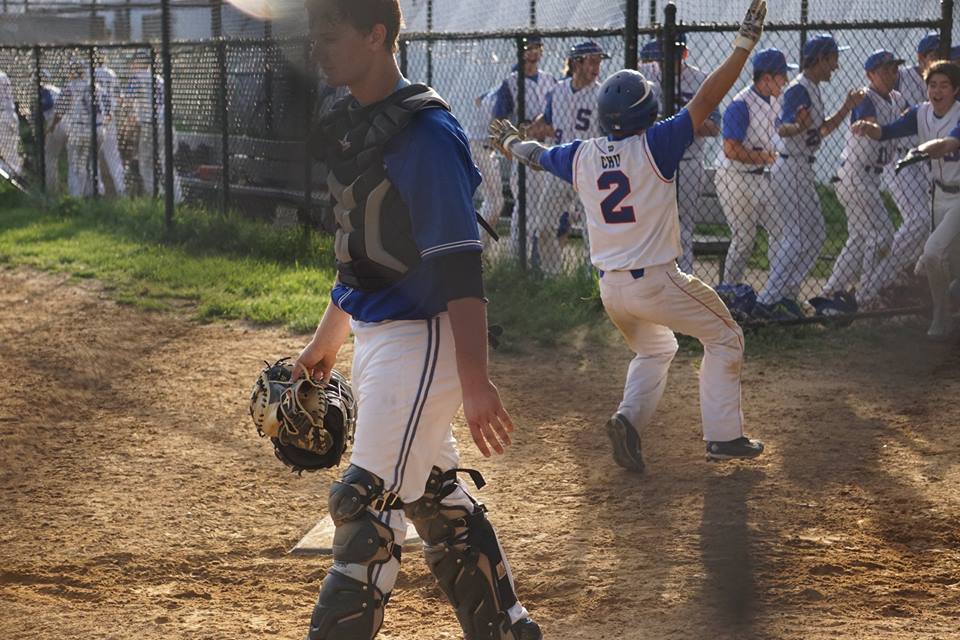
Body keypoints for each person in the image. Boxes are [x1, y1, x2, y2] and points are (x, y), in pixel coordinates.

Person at [294, 1, 541, 639]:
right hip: (382, 336)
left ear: (376, 35)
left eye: (331, 35)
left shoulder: (426, 136)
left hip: (423, 337)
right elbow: (367, 254)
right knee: (432, 494)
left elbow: (460, 268)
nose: (318, 47)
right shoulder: (354, 122)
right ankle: (507, 629)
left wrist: (476, 379)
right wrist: (328, 337)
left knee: (363, 504)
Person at [490, 0, 769, 470]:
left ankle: (628, 420)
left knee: (656, 347)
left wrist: (510, 143)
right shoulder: (656, 143)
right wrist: (744, 44)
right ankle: (724, 436)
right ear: (649, 111)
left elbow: (540, 153)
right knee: (726, 337)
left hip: (610, 289)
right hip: (657, 282)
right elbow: (707, 99)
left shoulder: (583, 154)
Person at [755, 33, 866, 318]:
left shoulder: (813, 88)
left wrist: (846, 107)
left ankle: (786, 292)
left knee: (815, 234)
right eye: (833, 60)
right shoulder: (798, 89)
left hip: (801, 167)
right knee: (797, 235)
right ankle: (768, 300)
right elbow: (782, 128)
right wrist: (797, 126)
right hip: (790, 165)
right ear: (820, 59)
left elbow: (822, 131)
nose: (836, 66)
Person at [852, 61, 960, 340]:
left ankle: (941, 314)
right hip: (938, 195)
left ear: (956, 90)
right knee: (946, 260)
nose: (937, 91)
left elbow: (949, 144)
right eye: (932, 85)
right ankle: (945, 311)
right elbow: (887, 132)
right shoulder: (920, 113)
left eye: (944, 85)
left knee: (934, 253)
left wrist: (920, 151)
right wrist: (868, 127)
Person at [813, 51, 908, 312]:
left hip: (868, 177)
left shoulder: (896, 98)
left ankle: (831, 290)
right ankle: (866, 294)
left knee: (858, 237)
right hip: (856, 175)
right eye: (885, 69)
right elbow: (869, 121)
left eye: (893, 68)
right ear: (870, 74)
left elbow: (907, 116)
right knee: (882, 234)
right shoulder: (865, 97)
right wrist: (868, 125)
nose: (892, 73)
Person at [857, 33, 944, 308]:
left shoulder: (946, 81)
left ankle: (907, 276)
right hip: (900, 160)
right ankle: (878, 283)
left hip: (926, 162)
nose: (939, 59)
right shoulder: (903, 78)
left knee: (932, 222)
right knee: (918, 220)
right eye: (933, 54)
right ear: (921, 58)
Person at [638, 33, 722, 276]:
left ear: (684, 54)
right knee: (650, 223)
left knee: (683, 227)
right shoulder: (644, 76)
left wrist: (681, 122)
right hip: (652, 161)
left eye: (673, 55)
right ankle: (652, 279)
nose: (666, 61)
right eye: (662, 55)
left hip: (688, 162)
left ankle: (684, 280)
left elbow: (714, 127)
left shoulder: (700, 80)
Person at [715, 48, 794, 291]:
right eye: (782, 75)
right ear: (766, 78)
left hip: (759, 178)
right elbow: (730, 149)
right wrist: (765, 157)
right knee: (745, 240)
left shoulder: (775, 99)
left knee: (782, 232)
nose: (786, 80)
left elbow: (779, 129)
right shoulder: (741, 105)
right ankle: (729, 290)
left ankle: (775, 291)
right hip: (733, 178)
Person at [527, 40, 609, 273]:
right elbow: (548, 120)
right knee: (542, 227)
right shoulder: (558, 90)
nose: (597, 67)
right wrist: (527, 132)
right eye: (592, 61)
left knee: (593, 234)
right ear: (576, 63)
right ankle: (552, 274)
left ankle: (592, 281)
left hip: (590, 169)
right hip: (560, 164)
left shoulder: (602, 94)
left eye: (599, 62)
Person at [491, 36, 557, 263]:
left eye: (537, 47)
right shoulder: (511, 82)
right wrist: (515, 140)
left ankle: (539, 261)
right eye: (529, 47)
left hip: (547, 147)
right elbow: (498, 121)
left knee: (546, 208)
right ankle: (517, 260)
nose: (533, 52)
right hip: (524, 148)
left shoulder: (550, 80)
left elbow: (559, 113)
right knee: (525, 206)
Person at [124, 51, 181, 200]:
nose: (132, 65)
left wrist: (129, 117)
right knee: (166, 162)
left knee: (145, 163)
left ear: (140, 63)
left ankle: (155, 195)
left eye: (134, 62)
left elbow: (128, 102)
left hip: (150, 126)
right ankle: (177, 198)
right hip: (167, 124)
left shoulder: (137, 77)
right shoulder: (159, 79)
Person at [466, 84, 504, 251]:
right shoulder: (504, 92)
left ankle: (481, 247)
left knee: (495, 202)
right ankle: (477, 246)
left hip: (485, 148)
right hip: (478, 145)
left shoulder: (497, 90)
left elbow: (478, 100)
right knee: (495, 202)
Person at [94, 51, 126, 196]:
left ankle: (98, 191)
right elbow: (120, 98)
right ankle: (121, 190)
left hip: (94, 119)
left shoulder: (89, 73)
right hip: (110, 117)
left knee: (91, 156)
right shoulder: (111, 73)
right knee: (113, 156)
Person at [39, 71, 66, 194]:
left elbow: (47, 104)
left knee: (50, 157)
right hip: (70, 123)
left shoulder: (44, 90)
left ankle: (51, 190)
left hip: (54, 122)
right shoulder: (57, 89)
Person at [0, 69, 23, 177]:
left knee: (6, 151)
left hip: (3, 116)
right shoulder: (3, 75)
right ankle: (15, 175)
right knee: (11, 150)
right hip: (11, 114)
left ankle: (11, 179)